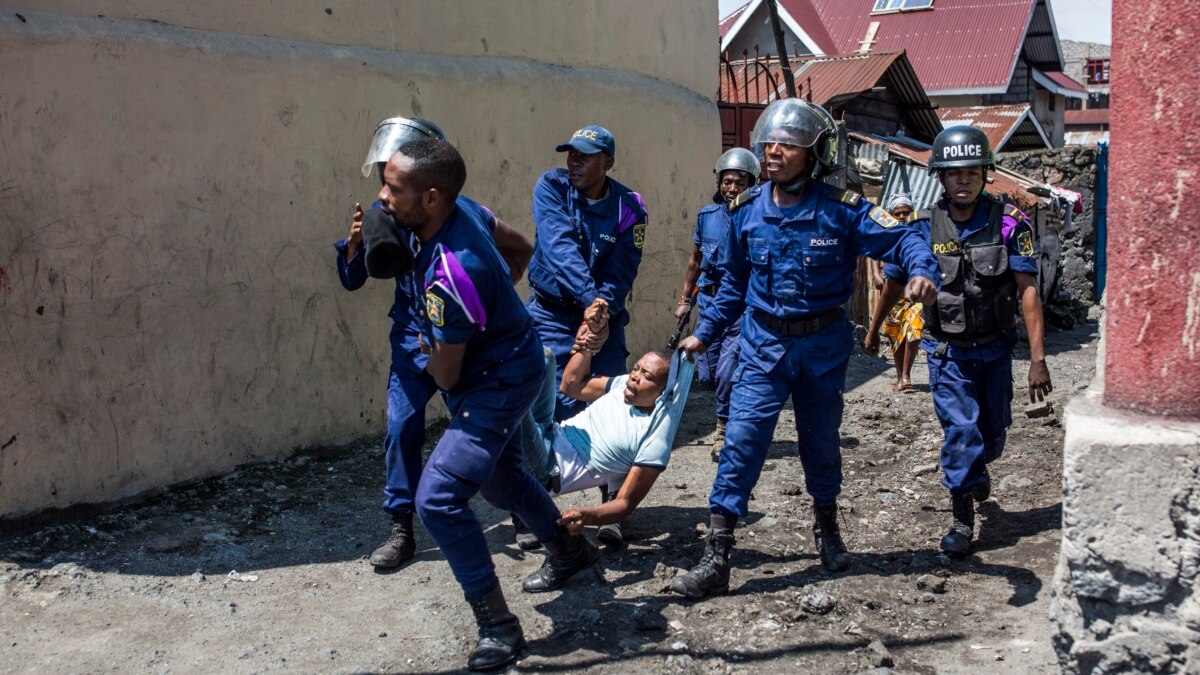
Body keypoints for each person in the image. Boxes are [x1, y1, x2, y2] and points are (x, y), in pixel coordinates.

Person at [670, 98, 939, 599]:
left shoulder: (842, 210)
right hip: (762, 344)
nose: (774, 153)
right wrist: (704, 332)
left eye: (788, 146)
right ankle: (717, 554)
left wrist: (922, 268)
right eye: (769, 143)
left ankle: (827, 528)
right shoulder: (745, 213)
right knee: (741, 443)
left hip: (821, 347)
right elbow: (732, 284)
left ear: (814, 154)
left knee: (820, 442)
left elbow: (903, 239)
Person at [382, 139, 598, 671]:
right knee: (500, 480)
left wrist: (419, 348)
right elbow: (520, 246)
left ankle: (498, 626)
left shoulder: (451, 277)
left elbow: (447, 373)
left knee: (437, 497)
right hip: (512, 359)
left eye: (394, 188)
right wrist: (498, 299)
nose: (382, 197)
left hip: (496, 380)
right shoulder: (464, 208)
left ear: (431, 198)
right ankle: (568, 549)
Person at [334, 116, 534, 570]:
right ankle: (401, 526)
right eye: (385, 173)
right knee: (402, 427)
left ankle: (523, 511)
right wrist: (353, 246)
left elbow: (517, 246)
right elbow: (353, 278)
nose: (387, 186)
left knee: (496, 426)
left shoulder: (460, 214)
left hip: (458, 342)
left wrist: (499, 287)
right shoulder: (386, 215)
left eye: (395, 173)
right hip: (412, 342)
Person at [868, 125, 1053, 555]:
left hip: (995, 349)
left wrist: (1038, 359)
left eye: (972, 171)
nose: (963, 180)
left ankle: (976, 472)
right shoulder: (920, 230)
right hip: (946, 351)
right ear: (940, 177)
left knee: (992, 434)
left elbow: (1028, 291)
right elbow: (892, 284)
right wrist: (875, 329)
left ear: (985, 174)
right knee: (961, 430)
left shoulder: (1009, 224)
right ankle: (961, 520)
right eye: (954, 173)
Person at [514, 324, 695, 539]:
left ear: (663, 393)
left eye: (647, 376)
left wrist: (587, 516)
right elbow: (571, 386)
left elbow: (624, 503)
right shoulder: (622, 385)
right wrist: (588, 343)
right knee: (542, 356)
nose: (634, 376)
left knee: (515, 404)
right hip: (548, 431)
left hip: (546, 468)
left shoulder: (654, 439)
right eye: (636, 368)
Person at [526, 124, 648, 422]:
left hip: (604, 320)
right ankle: (550, 469)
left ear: (608, 163)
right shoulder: (552, 187)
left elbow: (621, 272)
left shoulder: (629, 207)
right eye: (572, 155)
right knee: (550, 406)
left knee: (611, 407)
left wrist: (598, 317)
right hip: (551, 316)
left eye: (586, 157)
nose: (575, 162)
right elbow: (559, 248)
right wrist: (590, 304)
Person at [674, 148, 760, 461]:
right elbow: (695, 259)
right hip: (710, 301)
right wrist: (685, 299)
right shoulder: (707, 216)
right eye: (727, 181)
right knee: (708, 376)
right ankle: (736, 408)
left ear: (752, 182)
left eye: (739, 181)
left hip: (740, 305)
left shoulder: (758, 217)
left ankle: (723, 427)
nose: (732, 187)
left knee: (727, 370)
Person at [865, 193, 923, 393]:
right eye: (897, 213)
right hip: (891, 292)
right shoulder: (887, 231)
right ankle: (900, 376)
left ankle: (906, 375)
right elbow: (874, 251)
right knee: (895, 333)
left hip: (913, 294)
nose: (901, 217)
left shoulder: (918, 231)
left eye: (905, 213)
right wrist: (875, 273)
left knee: (914, 328)